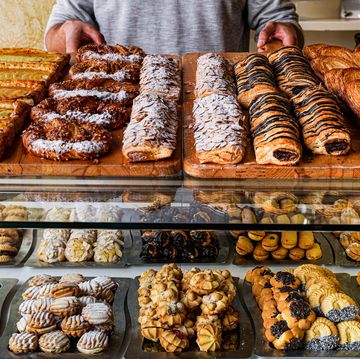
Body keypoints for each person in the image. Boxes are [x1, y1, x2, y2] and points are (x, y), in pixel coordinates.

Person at [45, 0, 303, 55]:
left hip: (221, 108)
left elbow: (277, 19)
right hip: (118, 109)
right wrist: (67, 31)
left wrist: (283, 30)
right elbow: (56, 33)